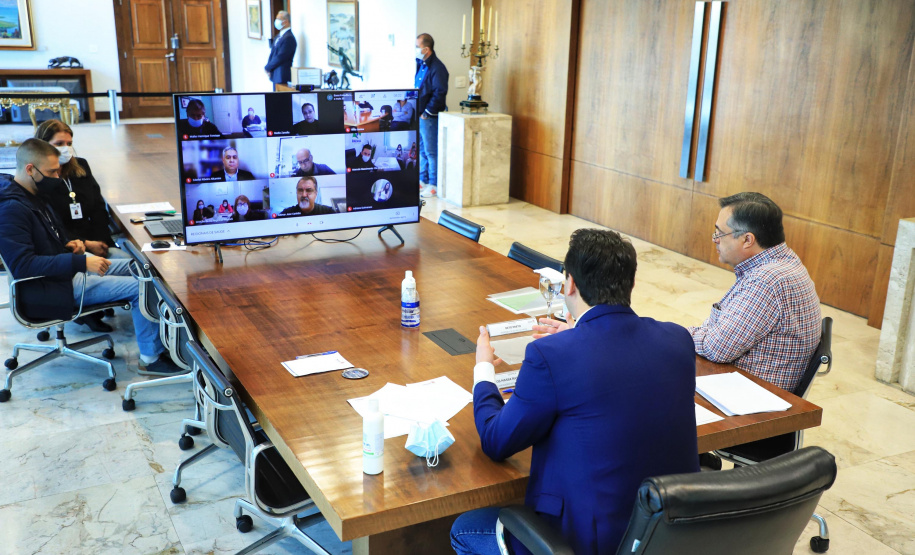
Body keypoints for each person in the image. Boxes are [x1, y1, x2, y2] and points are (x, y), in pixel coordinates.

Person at [450, 229, 699, 555]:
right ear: (632, 284)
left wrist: (484, 371)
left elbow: (496, 441)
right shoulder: (678, 340)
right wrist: (578, 334)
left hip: (585, 542)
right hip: (663, 535)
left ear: (569, 284)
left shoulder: (551, 355)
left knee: (462, 529)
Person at [0, 139, 183, 376]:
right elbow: (24, 265)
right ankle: (151, 358)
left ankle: (169, 344)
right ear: (29, 169)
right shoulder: (12, 209)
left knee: (141, 267)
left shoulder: (33, 194)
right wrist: (82, 261)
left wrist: (71, 245)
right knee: (142, 288)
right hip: (51, 286)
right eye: (51, 172)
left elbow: (43, 241)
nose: (57, 176)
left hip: (63, 272)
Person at [688, 192, 821, 392]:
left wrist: (680, 334)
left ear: (747, 240)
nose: (715, 239)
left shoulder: (767, 282)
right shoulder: (784, 260)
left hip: (750, 398)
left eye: (719, 233)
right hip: (752, 385)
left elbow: (716, 349)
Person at [415, 33, 449, 197]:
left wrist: (427, 112)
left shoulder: (438, 68)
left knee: (431, 151)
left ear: (426, 49)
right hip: (419, 115)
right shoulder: (421, 65)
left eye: (417, 47)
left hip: (429, 117)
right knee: (421, 150)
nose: (415, 50)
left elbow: (440, 93)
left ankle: (434, 184)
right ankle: (423, 180)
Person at [264, 11, 297, 91]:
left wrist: (268, 67)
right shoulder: (279, 36)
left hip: (282, 75)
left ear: (285, 22)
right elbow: (273, 53)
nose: (276, 21)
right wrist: (269, 67)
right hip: (275, 75)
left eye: (278, 19)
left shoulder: (289, 38)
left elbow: (281, 57)